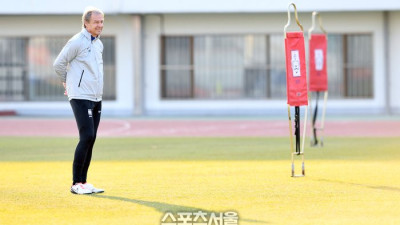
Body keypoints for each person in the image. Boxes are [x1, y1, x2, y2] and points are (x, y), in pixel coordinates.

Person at [53, 6, 105, 195]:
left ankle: (83, 182)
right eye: (96, 22)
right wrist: (68, 84)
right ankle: (76, 183)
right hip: (80, 96)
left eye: (101, 22)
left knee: (91, 139)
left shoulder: (98, 44)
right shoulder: (76, 41)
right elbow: (58, 63)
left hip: (95, 97)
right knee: (87, 136)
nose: (100, 25)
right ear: (86, 23)